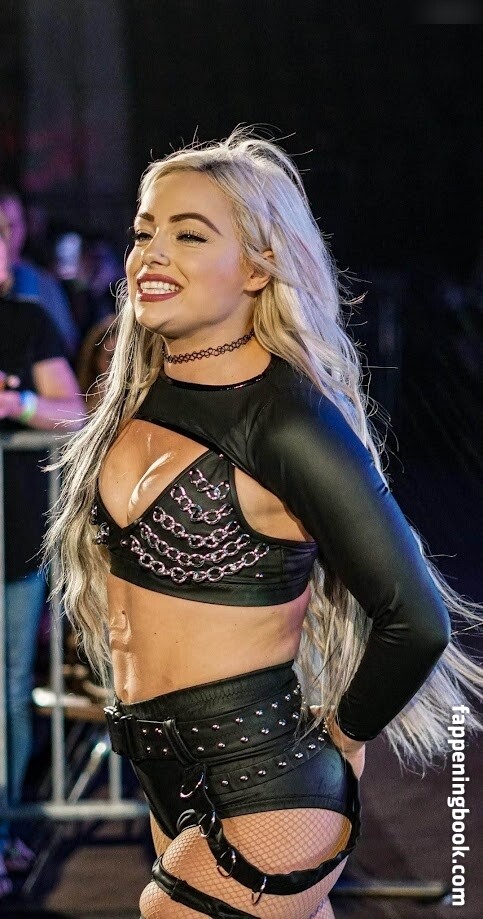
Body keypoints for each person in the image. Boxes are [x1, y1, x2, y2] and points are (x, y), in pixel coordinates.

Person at [43, 130, 482, 919]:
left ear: (256, 266)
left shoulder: (289, 420)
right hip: (162, 770)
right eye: (144, 231)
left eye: (189, 234)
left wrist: (344, 736)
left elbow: (415, 616)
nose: (151, 254)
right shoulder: (138, 397)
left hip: (269, 780)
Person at [0, 205, 85, 897]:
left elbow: (74, 412)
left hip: (11, 534)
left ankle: (1, 834)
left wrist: (18, 403)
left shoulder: (26, 320)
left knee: (7, 690)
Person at [0, 187, 80, 360]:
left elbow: (66, 344)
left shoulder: (43, 284)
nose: (7, 236)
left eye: (13, 225)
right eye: (0, 228)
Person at [76, 313, 118, 413]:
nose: (121, 367)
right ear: (95, 359)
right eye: (112, 358)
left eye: (129, 358)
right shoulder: (74, 396)